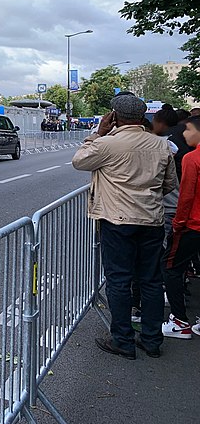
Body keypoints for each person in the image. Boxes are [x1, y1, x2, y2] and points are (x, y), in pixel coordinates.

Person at [73, 94, 177, 359]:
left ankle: (123, 340)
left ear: (114, 116)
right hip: (151, 221)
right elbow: (169, 184)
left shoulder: (107, 143)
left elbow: (79, 161)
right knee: (151, 281)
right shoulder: (161, 146)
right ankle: (152, 341)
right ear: (143, 118)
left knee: (119, 280)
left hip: (117, 221)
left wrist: (97, 134)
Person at [162, 116, 200, 338]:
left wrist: (178, 223)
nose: (184, 135)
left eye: (188, 130)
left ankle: (179, 321)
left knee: (171, 268)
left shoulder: (191, 159)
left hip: (192, 225)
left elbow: (185, 196)